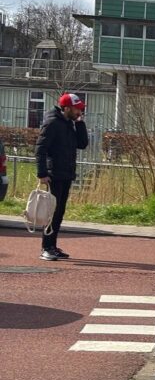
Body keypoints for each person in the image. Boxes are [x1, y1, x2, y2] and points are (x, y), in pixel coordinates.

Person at [35, 93, 89, 261]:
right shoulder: (52, 123)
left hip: (66, 173)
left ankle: (52, 246)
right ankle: (46, 247)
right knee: (52, 211)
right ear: (66, 108)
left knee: (60, 212)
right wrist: (42, 173)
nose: (80, 111)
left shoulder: (69, 123)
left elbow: (82, 144)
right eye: (77, 109)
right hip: (54, 174)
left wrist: (80, 124)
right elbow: (40, 148)